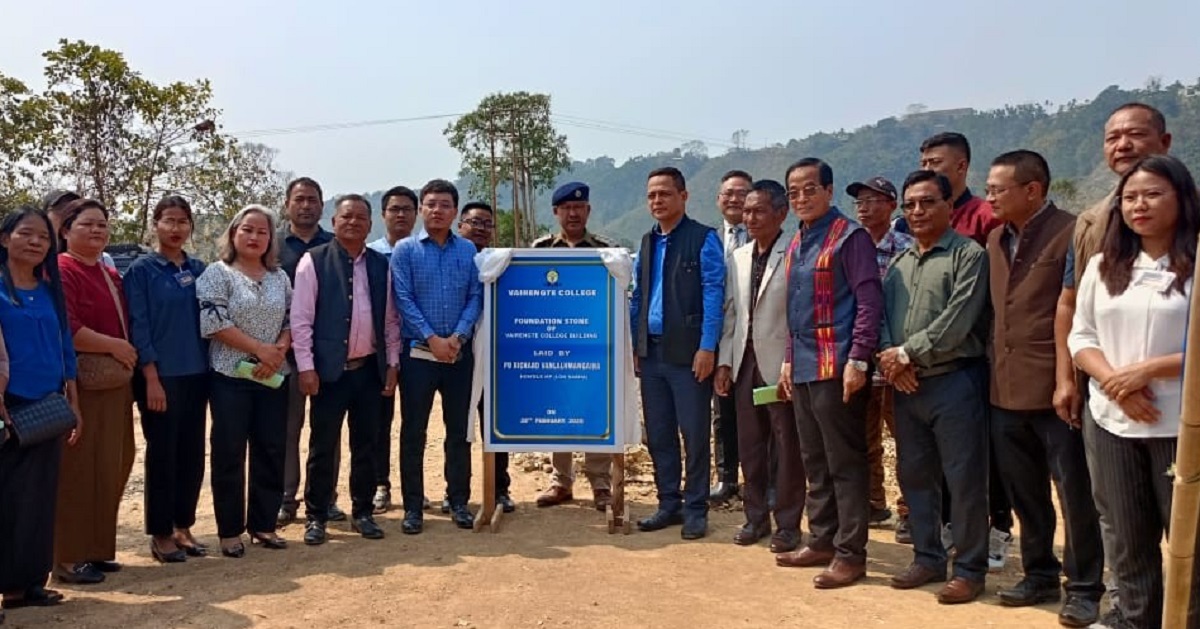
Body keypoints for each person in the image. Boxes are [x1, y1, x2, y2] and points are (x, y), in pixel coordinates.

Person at [1068, 154, 1200, 629]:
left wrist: (1149, 370)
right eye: (1129, 197)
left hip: (1183, 425)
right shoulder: (1105, 264)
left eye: (1152, 194)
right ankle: (1135, 617)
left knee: (1190, 539)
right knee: (1126, 533)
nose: (1138, 205)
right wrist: (1113, 381)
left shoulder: (1197, 262)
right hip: (1111, 420)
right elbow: (1081, 336)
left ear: (1182, 199)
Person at [1054, 103, 1173, 609]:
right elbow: (1073, 313)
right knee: (1121, 524)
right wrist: (1078, 379)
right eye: (1112, 137)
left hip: (1178, 415)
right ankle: (1131, 613)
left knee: (1186, 530)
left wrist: (1147, 371)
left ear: (1165, 143)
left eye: (1136, 135)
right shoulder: (1091, 227)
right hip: (1109, 408)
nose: (1122, 145)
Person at [983, 151, 1104, 626]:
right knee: (1024, 491)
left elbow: (1074, 311)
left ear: (1032, 190)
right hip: (1004, 388)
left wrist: (1067, 380)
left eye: (998, 189)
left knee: (1074, 492)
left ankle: (1085, 585)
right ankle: (1038, 573)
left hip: (1059, 388)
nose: (989, 196)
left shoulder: (1072, 232)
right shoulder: (995, 239)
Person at [878, 170, 991, 604]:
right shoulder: (898, 264)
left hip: (955, 382)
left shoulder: (969, 255)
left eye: (927, 202)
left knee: (964, 479)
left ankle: (969, 568)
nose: (917, 211)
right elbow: (883, 323)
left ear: (949, 206)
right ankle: (927, 557)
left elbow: (959, 320)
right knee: (915, 475)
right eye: (910, 205)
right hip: (906, 387)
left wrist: (908, 354)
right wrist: (891, 360)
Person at [773, 159, 881, 590]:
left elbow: (868, 301)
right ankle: (821, 539)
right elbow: (793, 309)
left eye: (809, 189)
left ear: (829, 191)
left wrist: (858, 358)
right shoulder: (797, 240)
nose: (801, 198)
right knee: (813, 459)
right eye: (794, 191)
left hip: (836, 365)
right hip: (801, 365)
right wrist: (786, 359)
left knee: (845, 463)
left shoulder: (850, 238)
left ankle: (851, 554)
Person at [918, 132, 1013, 569]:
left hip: (977, 353)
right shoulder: (916, 222)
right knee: (941, 457)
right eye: (923, 161)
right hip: (928, 363)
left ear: (961, 167)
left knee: (985, 453)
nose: (929, 167)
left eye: (936, 161)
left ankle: (998, 530)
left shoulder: (983, 216)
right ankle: (950, 526)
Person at [293, 195, 399, 545]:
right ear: (334, 221)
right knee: (323, 446)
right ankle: (316, 516)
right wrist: (306, 367)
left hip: (369, 371)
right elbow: (302, 321)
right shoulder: (314, 261)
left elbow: (390, 321)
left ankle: (363, 511)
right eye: (346, 216)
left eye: (361, 217)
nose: (353, 222)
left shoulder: (381, 265)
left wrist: (392, 365)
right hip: (328, 374)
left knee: (366, 444)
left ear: (371, 225)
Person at [631, 166, 725, 540]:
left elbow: (714, 293)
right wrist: (635, 344)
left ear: (683, 197)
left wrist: (707, 346)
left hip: (688, 355)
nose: (657, 201)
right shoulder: (647, 241)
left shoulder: (703, 239)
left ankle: (696, 507)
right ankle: (668, 502)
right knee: (659, 433)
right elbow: (638, 295)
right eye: (652, 195)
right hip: (651, 354)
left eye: (665, 194)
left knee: (695, 432)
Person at [197, 205, 293, 558]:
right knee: (229, 452)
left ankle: (264, 525)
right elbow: (213, 324)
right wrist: (259, 350)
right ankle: (229, 531)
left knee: (271, 449)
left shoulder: (279, 277)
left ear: (271, 239)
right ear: (234, 233)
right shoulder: (217, 274)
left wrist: (278, 351)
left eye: (262, 232)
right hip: (229, 376)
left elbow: (290, 319)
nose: (254, 237)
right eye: (247, 230)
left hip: (271, 378)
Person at [714, 180, 804, 553]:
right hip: (744, 362)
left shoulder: (796, 251)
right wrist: (724, 362)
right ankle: (754, 518)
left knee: (786, 448)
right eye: (746, 211)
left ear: (781, 213)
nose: (749, 217)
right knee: (749, 446)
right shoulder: (739, 256)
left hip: (780, 364)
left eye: (759, 210)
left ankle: (787, 524)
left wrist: (790, 360)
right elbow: (732, 314)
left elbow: (799, 315)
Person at [391, 179, 483, 535]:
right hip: (418, 356)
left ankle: (458, 501)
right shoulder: (405, 250)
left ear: (455, 212)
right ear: (420, 209)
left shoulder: (469, 252)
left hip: (458, 356)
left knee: (458, 432)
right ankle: (414, 507)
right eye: (430, 204)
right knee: (413, 432)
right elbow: (403, 298)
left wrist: (457, 337)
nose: (437, 210)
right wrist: (432, 338)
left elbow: (476, 297)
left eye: (445, 204)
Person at [53, 198, 136, 585]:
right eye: (87, 224)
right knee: (79, 471)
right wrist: (113, 345)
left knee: (114, 464)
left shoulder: (108, 272)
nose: (97, 231)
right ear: (66, 230)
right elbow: (67, 326)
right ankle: (68, 556)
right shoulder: (62, 270)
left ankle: (97, 548)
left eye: (103, 224)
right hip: (83, 383)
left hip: (115, 383)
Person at [124, 196, 210, 563]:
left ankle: (183, 526)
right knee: (163, 454)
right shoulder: (142, 271)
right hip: (161, 377)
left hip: (198, 373)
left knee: (192, 453)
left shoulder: (200, 268)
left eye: (183, 221)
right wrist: (151, 376)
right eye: (168, 221)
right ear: (155, 225)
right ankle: (160, 533)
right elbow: (138, 326)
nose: (176, 228)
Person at [0, 207, 78, 613]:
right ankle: (8, 584)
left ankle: (31, 581)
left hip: (47, 407)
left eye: (43, 238)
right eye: (26, 234)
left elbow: (66, 348)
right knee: (9, 499)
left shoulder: (50, 291)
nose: (35, 242)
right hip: (8, 407)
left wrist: (73, 402)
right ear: (4, 239)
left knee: (39, 500)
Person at [531, 182, 617, 511]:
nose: (573, 213)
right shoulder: (539, 250)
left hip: (594, 345)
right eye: (566, 208)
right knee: (559, 412)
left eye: (579, 207)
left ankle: (600, 483)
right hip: (553, 346)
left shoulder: (606, 251)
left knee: (595, 410)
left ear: (588, 211)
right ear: (555, 212)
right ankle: (561, 481)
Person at [846, 175, 913, 535]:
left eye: (873, 200)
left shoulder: (906, 247)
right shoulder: (850, 246)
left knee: (904, 440)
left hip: (895, 358)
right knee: (863, 437)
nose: (864, 207)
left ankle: (909, 510)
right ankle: (873, 503)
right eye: (860, 202)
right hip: (859, 359)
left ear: (891, 206)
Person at [276, 177, 342, 526]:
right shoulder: (271, 247)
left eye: (312, 199)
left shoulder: (336, 246)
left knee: (327, 430)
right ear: (287, 204)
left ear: (322, 205)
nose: (306, 206)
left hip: (328, 356)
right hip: (283, 356)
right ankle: (285, 499)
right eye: (299, 199)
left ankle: (326, 497)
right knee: (286, 429)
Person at [457, 201, 515, 514]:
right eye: (474, 222)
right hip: (458, 355)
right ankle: (460, 494)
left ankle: (500, 489)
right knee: (459, 427)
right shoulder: (452, 259)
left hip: (495, 357)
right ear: (459, 225)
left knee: (495, 425)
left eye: (486, 224)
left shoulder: (501, 262)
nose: (480, 228)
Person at [367, 185, 418, 514]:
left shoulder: (423, 251)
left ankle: (417, 490)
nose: (400, 214)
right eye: (394, 209)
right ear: (383, 215)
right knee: (378, 422)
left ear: (417, 215)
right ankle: (379, 485)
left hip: (417, 349)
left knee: (415, 422)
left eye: (406, 209)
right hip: (378, 352)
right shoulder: (370, 254)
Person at [710, 169, 751, 503]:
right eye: (729, 193)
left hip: (755, 339)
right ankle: (726, 477)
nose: (735, 199)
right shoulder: (708, 239)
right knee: (722, 412)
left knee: (760, 411)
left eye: (742, 193)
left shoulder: (768, 238)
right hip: (717, 336)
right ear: (718, 199)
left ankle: (761, 478)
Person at [42, 190, 115, 270]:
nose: (66, 213)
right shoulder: (36, 254)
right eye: (60, 208)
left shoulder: (104, 261)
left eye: (73, 208)